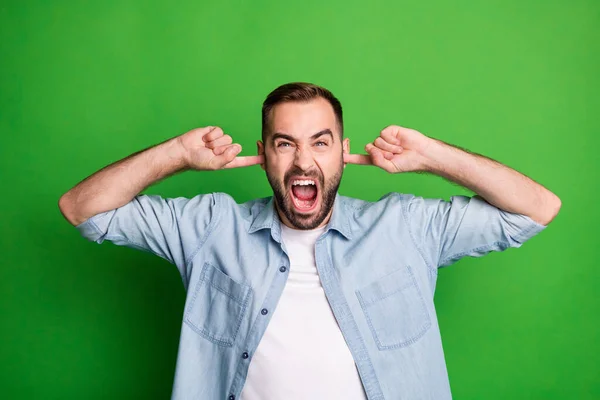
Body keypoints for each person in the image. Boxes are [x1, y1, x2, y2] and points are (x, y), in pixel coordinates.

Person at [58, 82, 561, 400]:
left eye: (320, 143)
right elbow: (82, 209)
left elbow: (536, 210)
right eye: (285, 144)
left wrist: (433, 157)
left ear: (343, 153)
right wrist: (174, 155)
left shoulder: (404, 227)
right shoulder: (209, 227)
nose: (303, 162)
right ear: (263, 155)